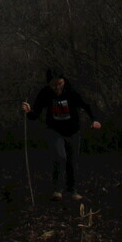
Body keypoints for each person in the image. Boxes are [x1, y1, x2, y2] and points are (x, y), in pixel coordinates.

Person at [22, 68, 101, 200]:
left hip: (73, 130)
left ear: (63, 81)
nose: (57, 87)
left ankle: (73, 191)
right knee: (60, 156)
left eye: (60, 84)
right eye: (54, 85)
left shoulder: (72, 90)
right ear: (49, 84)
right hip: (55, 130)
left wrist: (95, 119)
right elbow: (35, 114)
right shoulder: (45, 93)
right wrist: (29, 111)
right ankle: (57, 190)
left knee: (72, 160)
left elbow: (86, 104)